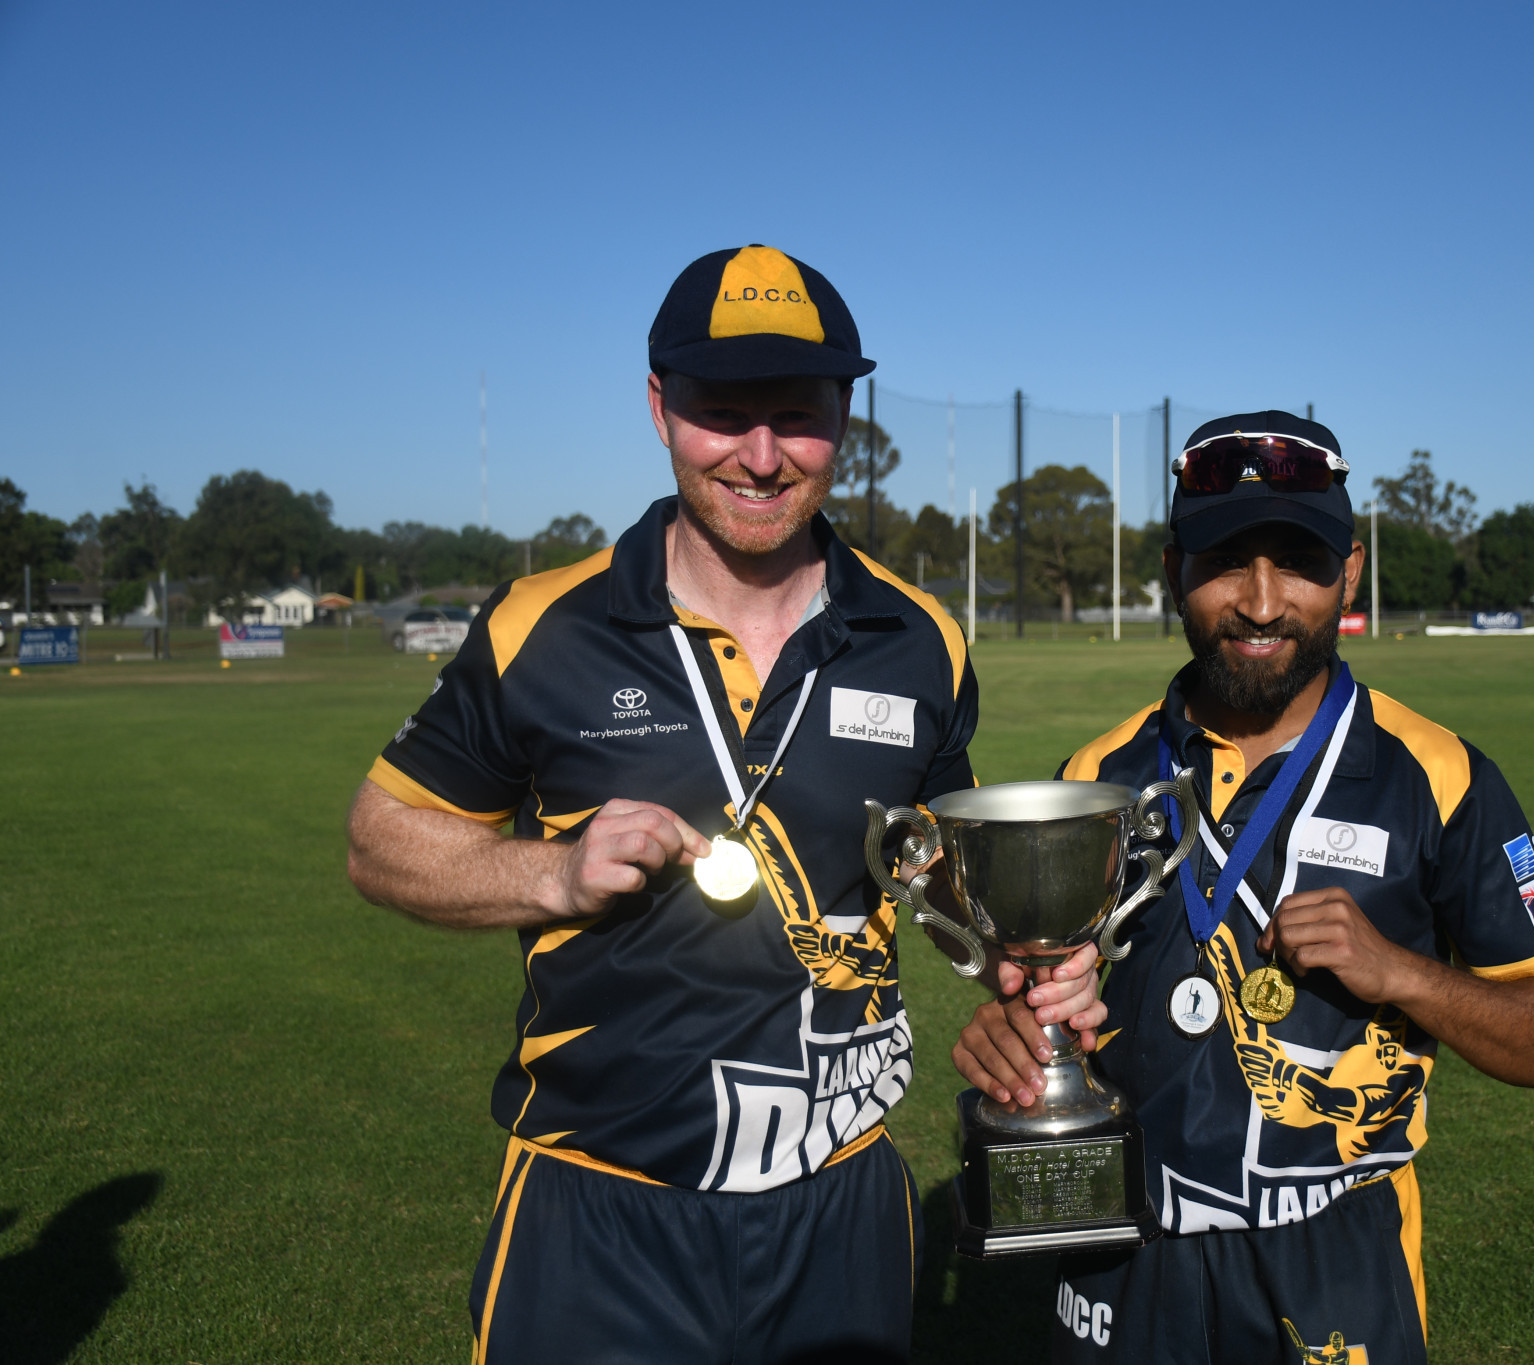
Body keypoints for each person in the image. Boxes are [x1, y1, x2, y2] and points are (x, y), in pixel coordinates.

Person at [345, 244, 1099, 1364]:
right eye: (719, 411)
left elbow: (942, 870)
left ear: (842, 416)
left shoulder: (918, 641)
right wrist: (547, 874)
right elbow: (381, 841)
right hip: (597, 1205)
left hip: (838, 1203)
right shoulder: (539, 628)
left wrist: (1026, 960)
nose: (758, 455)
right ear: (660, 407)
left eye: (794, 415)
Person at [952, 411, 1534, 1363]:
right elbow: (1052, 996)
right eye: (1226, 559)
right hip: (1124, 1249)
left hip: (1335, 1252)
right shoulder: (1099, 773)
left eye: (1298, 561)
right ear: (1176, 567)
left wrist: (1404, 975)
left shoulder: (1439, 776)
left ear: (1349, 573)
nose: (1261, 603)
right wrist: (1025, 1031)